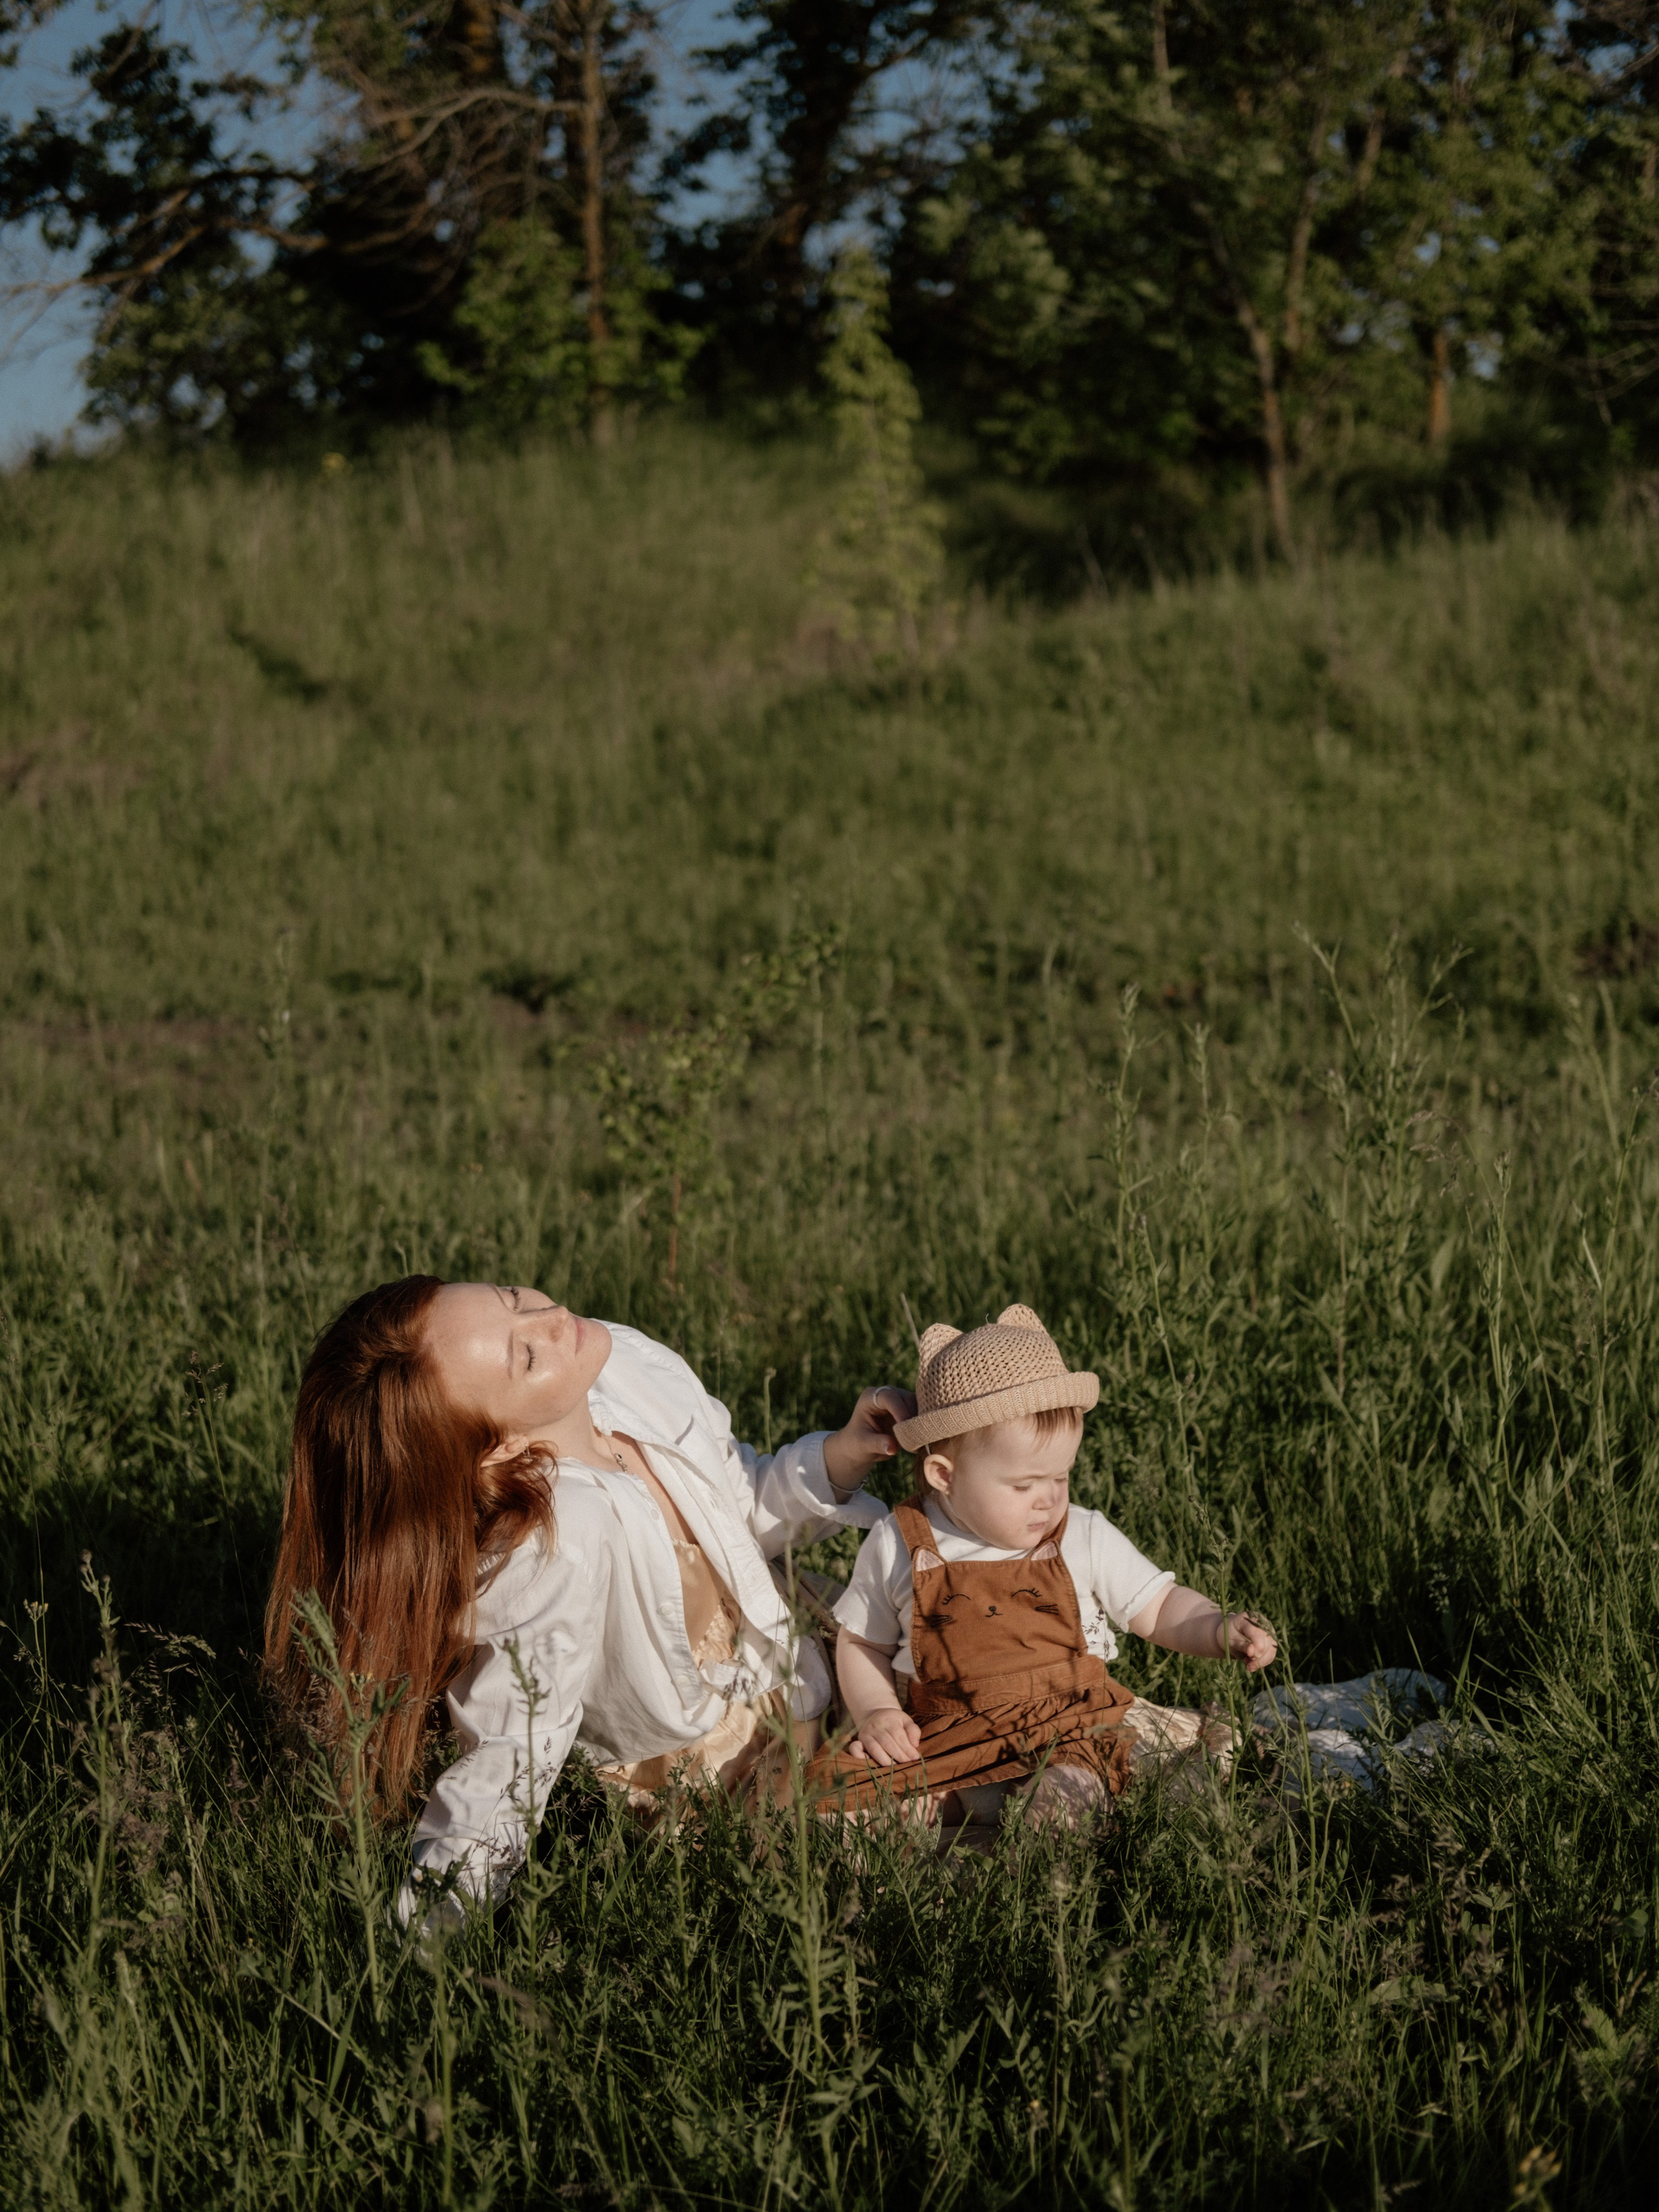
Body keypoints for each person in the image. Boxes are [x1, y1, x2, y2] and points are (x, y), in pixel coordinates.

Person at [263, 1276, 908, 1916]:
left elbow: (735, 1504)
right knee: (906, 1830)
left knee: (950, 1640)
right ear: (501, 1445)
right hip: (733, 1771)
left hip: (795, 1644)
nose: (550, 1317)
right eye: (525, 1356)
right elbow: (513, 1748)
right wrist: (431, 1934)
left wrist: (844, 1453)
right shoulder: (551, 1545)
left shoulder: (621, 1368)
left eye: (512, 1296)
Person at [809, 1305, 1277, 1826]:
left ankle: (1041, 1853)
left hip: (1069, 1728)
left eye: (1062, 1476)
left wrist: (1216, 1627)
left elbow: (1160, 1605)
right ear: (945, 1475)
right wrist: (877, 1711)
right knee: (842, 1807)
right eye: (1025, 1484)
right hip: (947, 1739)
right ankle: (953, 1835)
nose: (1049, 1499)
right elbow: (863, 1643)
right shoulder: (899, 1542)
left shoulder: (1082, 1534)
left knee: (1065, 1799)